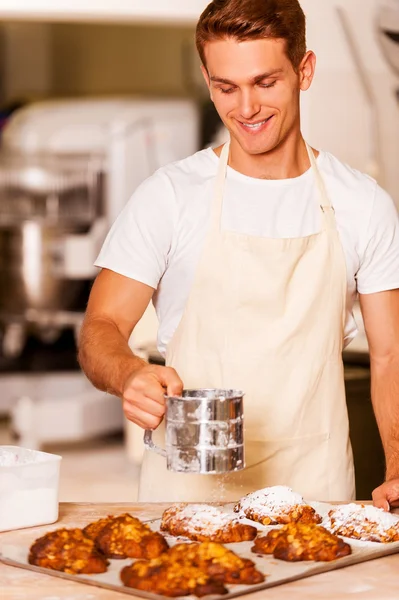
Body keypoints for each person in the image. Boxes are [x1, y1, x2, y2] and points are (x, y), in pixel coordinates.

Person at [78, 0, 399, 507]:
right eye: (226, 88)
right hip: (185, 497)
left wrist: (398, 465)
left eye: (265, 83)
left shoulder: (362, 204)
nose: (245, 108)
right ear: (208, 80)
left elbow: (390, 356)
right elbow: (101, 327)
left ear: (304, 70)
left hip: (314, 492)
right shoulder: (170, 195)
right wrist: (129, 374)